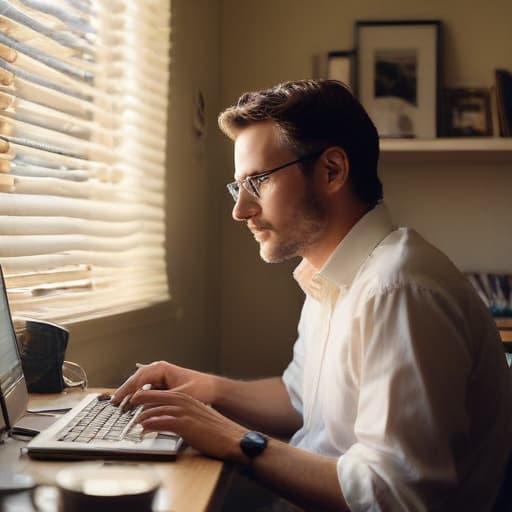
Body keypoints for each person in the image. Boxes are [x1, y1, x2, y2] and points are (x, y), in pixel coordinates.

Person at [112, 79, 512, 511]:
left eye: (258, 181)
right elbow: (300, 397)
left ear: (332, 171)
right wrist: (207, 389)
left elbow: (394, 496)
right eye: (237, 186)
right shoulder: (332, 274)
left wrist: (232, 438)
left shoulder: (398, 290)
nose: (240, 209)